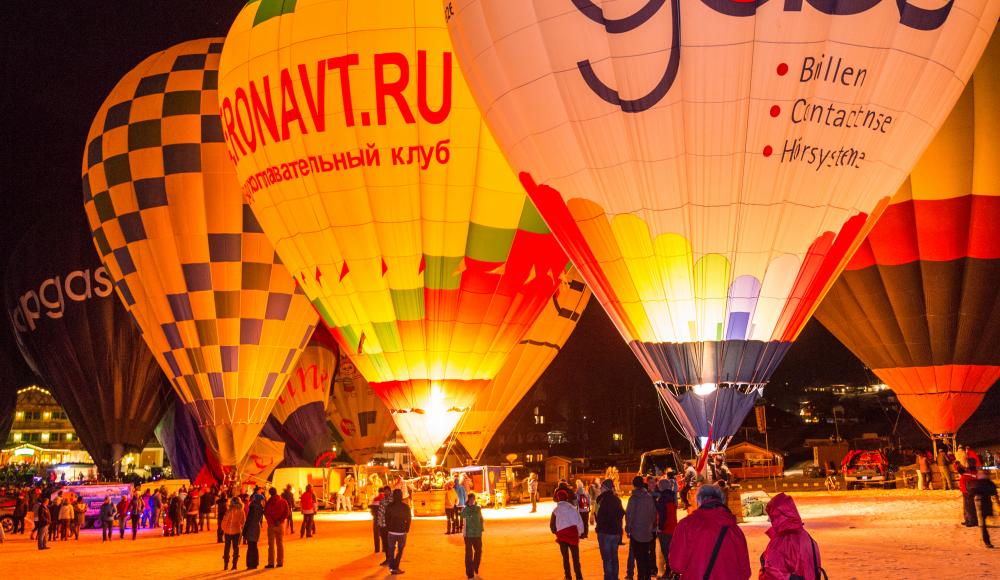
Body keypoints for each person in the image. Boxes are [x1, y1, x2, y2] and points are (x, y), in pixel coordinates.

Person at [669, 484, 750, 579]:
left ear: (698, 501)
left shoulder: (686, 525)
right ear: (722, 502)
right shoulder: (734, 530)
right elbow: (745, 572)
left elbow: (677, 565)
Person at [759, 493, 825, 579]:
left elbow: (771, 572)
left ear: (777, 516)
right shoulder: (806, 537)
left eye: (772, 518)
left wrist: (764, 561)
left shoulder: (781, 541)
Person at [625, 476, 657, 580]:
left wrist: (628, 529)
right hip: (647, 532)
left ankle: (640, 577)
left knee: (639, 558)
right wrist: (650, 525)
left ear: (634, 485)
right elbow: (653, 514)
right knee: (646, 556)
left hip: (636, 533)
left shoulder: (633, 498)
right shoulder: (648, 497)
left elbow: (629, 515)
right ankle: (647, 577)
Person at [595, 478, 625, 580]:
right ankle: (615, 577)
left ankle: (608, 578)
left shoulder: (600, 500)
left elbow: (597, 515)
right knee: (614, 557)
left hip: (604, 532)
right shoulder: (617, 499)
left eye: (601, 487)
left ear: (604, 488)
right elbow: (621, 513)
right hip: (615, 532)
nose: (600, 489)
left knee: (607, 559)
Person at [551, 488, 585, 580]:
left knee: (565, 558)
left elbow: (552, 526)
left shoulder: (555, 511)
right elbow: (579, 522)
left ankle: (568, 576)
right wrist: (579, 532)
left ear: (558, 498)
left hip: (562, 537)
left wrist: (557, 532)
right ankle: (579, 577)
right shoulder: (573, 509)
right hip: (573, 535)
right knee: (576, 558)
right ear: (567, 498)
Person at [654, 478, 678, 578]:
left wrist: (660, 527)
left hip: (665, 529)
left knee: (666, 552)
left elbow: (663, 515)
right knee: (671, 551)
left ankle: (668, 572)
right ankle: (673, 571)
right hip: (673, 527)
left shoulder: (662, 499)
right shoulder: (672, 497)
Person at [385, 489, 412, 575]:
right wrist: (407, 529)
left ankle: (392, 567)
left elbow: (386, 518)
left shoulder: (389, 506)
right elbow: (408, 519)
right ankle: (395, 567)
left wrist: (388, 528)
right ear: (401, 496)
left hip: (391, 532)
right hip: (401, 532)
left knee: (391, 550)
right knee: (400, 550)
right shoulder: (405, 507)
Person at [264, 487, 291, 569]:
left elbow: (266, 513)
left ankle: (271, 563)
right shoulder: (283, 501)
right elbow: (287, 512)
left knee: (271, 545)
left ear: (270, 493)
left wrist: (272, 521)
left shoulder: (268, 502)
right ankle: (280, 562)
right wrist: (280, 520)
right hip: (280, 525)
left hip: (271, 525)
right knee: (280, 544)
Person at [971, 470, 998, 548]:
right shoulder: (989, 483)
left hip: (979, 503)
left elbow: (972, 491)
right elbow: (994, 493)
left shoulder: (977, 483)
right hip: (987, 503)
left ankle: (987, 542)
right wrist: (997, 503)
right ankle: (987, 541)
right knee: (984, 520)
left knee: (982, 524)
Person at [462, 493, 485, 579]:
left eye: (473, 499)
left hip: (477, 534)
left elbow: (481, 519)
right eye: (470, 499)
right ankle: (470, 573)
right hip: (468, 535)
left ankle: (475, 566)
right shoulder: (465, 509)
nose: (472, 501)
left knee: (478, 551)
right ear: (468, 499)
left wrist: (481, 529)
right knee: (468, 554)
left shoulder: (478, 508)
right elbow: (463, 516)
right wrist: (466, 507)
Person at [221, 497, 247, 570]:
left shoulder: (229, 511)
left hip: (228, 531)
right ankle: (234, 565)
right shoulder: (241, 511)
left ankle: (226, 564)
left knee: (227, 548)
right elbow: (243, 522)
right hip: (237, 531)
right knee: (236, 548)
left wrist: (223, 528)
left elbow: (224, 521)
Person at [244, 493, 265, 569]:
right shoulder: (260, 508)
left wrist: (245, 530)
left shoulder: (253, 508)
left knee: (250, 547)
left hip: (251, 527)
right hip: (256, 527)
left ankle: (250, 564)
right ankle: (255, 563)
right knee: (254, 546)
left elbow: (249, 520)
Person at [377, 486, 394, 565]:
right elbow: (380, 513)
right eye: (385, 491)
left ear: (390, 491)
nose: (386, 493)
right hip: (383, 525)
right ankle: (388, 559)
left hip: (388, 525)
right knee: (385, 543)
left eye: (387, 491)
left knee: (389, 543)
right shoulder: (383, 500)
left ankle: (390, 559)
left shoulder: (391, 500)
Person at [370, 485, 385, 552]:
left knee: (376, 535)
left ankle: (377, 549)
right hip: (384, 520)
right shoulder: (386, 499)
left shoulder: (375, 499)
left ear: (378, 492)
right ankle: (384, 548)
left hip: (376, 519)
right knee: (384, 535)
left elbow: (372, 512)